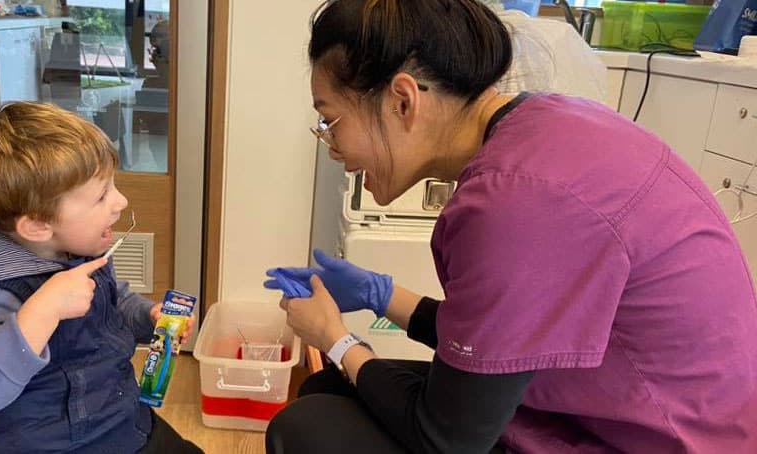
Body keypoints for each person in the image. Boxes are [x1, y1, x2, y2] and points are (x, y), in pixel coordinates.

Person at [263, 0, 757, 453]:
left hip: (656, 441)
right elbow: (500, 342)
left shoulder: (513, 203)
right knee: (331, 389)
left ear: (403, 101)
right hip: (615, 409)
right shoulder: (546, 125)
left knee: (309, 428)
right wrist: (379, 293)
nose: (330, 145)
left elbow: (448, 440)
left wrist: (337, 340)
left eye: (329, 121)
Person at [0, 102, 201, 454]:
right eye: (101, 196)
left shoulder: (76, 249)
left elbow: (116, 302)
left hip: (119, 420)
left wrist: (148, 317)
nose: (121, 201)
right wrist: (43, 310)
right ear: (38, 225)